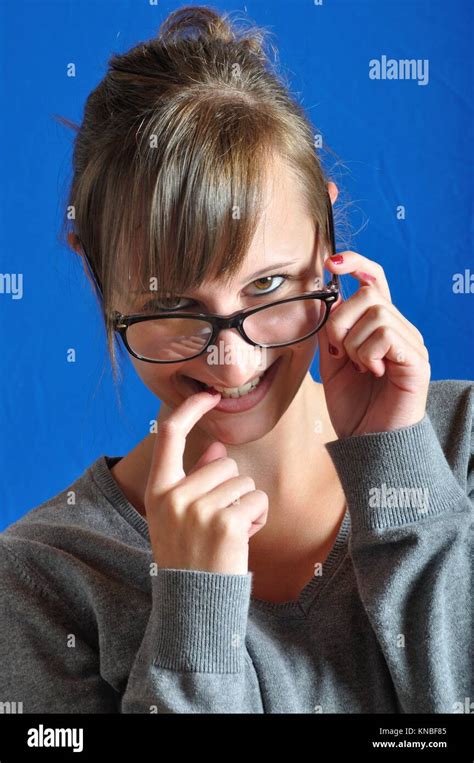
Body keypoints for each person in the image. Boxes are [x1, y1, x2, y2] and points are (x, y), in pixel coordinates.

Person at [0, 5, 472, 714]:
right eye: (177, 308)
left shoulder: (462, 444)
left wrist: (398, 480)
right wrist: (194, 617)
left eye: (268, 285)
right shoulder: (42, 576)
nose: (231, 359)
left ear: (327, 236)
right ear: (100, 281)